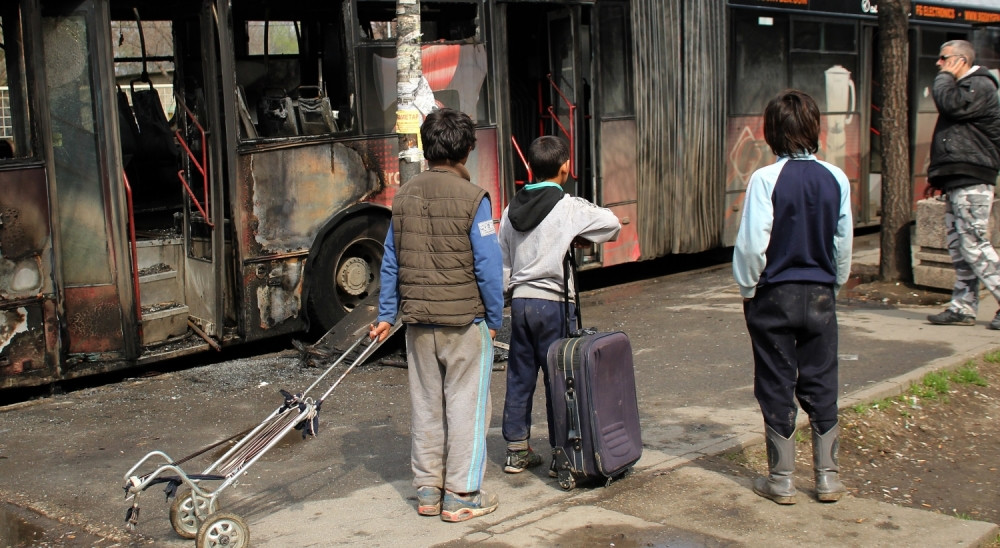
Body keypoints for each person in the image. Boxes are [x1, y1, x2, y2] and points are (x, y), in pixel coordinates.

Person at [369, 108, 504, 523]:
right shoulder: (474, 198)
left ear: (427, 149)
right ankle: (462, 495)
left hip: (417, 325)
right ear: (465, 150)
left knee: (426, 405)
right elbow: (488, 264)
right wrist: (495, 317)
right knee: (466, 407)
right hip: (464, 323)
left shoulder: (403, 196)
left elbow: (390, 260)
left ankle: (428, 490)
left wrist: (387, 314)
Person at [732, 89, 853, 505]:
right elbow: (842, 242)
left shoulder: (766, 179)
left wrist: (748, 288)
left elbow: (752, 245)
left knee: (776, 381)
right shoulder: (836, 177)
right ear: (813, 128)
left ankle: (781, 482)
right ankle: (828, 479)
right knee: (822, 380)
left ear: (771, 133)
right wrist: (832, 286)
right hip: (820, 296)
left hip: (774, 297)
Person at [498, 135, 621, 476]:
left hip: (521, 302)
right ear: (565, 167)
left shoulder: (510, 210)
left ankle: (516, 450)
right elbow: (611, 224)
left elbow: (503, 263)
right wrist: (578, 236)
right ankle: (563, 453)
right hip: (553, 303)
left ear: (530, 168)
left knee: (520, 376)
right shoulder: (568, 207)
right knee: (559, 376)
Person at [924, 39, 1000, 329]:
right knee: (959, 246)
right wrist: (940, 177)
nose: (939, 64)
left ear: (961, 60)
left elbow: (950, 105)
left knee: (975, 244)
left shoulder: (979, 85)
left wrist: (944, 78)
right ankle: (963, 307)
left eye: (944, 59)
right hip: (959, 178)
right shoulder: (966, 88)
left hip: (973, 178)